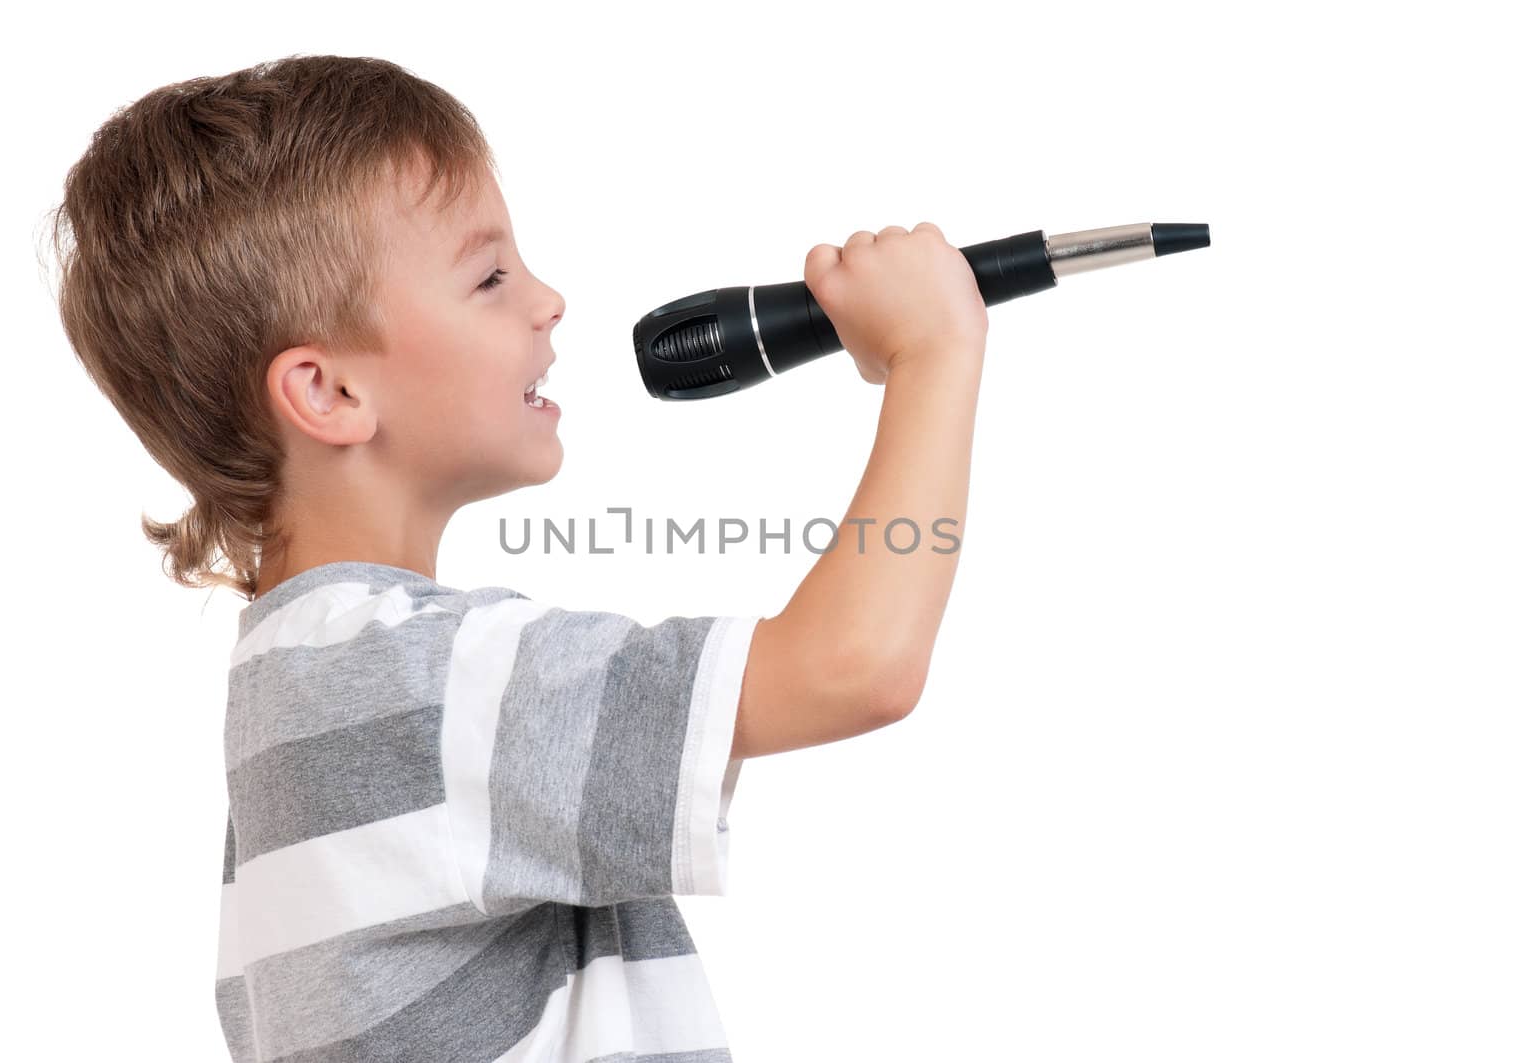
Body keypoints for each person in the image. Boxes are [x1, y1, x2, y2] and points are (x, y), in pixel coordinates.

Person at [48, 53, 988, 1063]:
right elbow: (856, 665)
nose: (547, 299)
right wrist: (935, 355)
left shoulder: (300, 687)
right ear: (327, 394)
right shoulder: (418, 686)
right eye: (488, 276)